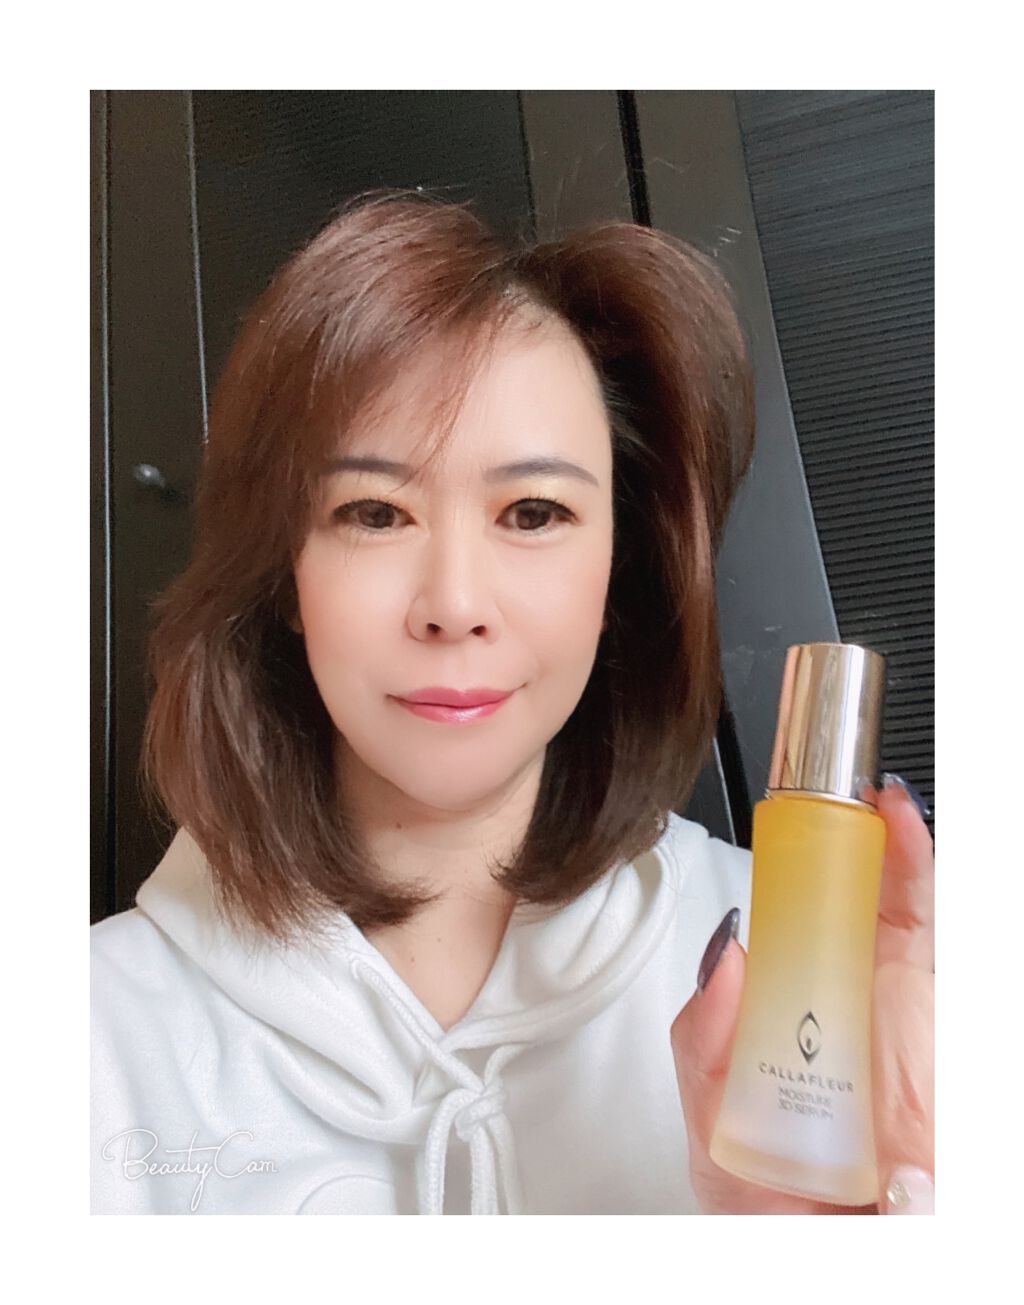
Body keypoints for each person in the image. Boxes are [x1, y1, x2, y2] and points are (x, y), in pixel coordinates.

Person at [91, 189, 934, 1215]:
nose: (453, 605)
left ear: (619, 570)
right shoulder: (90, 1033)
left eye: (533, 512)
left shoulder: (836, 990)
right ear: (285, 577)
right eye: (374, 512)